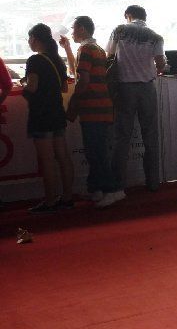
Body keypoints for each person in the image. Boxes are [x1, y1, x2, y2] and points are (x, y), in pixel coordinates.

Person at [106, 5, 166, 202]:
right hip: (147, 88)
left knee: (122, 137)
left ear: (128, 16)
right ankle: (153, 182)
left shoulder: (119, 31)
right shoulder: (155, 36)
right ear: (145, 17)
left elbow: (109, 54)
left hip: (124, 88)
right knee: (150, 136)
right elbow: (160, 64)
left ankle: (118, 185)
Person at [58, 16, 115, 204]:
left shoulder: (86, 50)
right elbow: (77, 71)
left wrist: (73, 104)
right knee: (96, 151)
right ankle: (97, 189)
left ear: (82, 29)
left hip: (93, 108)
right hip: (101, 107)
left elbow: (82, 81)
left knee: (96, 153)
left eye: (74, 28)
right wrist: (67, 49)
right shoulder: (96, 49)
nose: (72, 32)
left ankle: (108, 190)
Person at [21, 24, 74, 213]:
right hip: (57, 112)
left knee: (47, 160)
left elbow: (32, 87)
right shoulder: (56, 59)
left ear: (34, 39)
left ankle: (50, 201)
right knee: (63, 156)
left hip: (41, 115)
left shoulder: (35, 60)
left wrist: (24, 84)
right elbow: (64, 88)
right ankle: (67, 198)